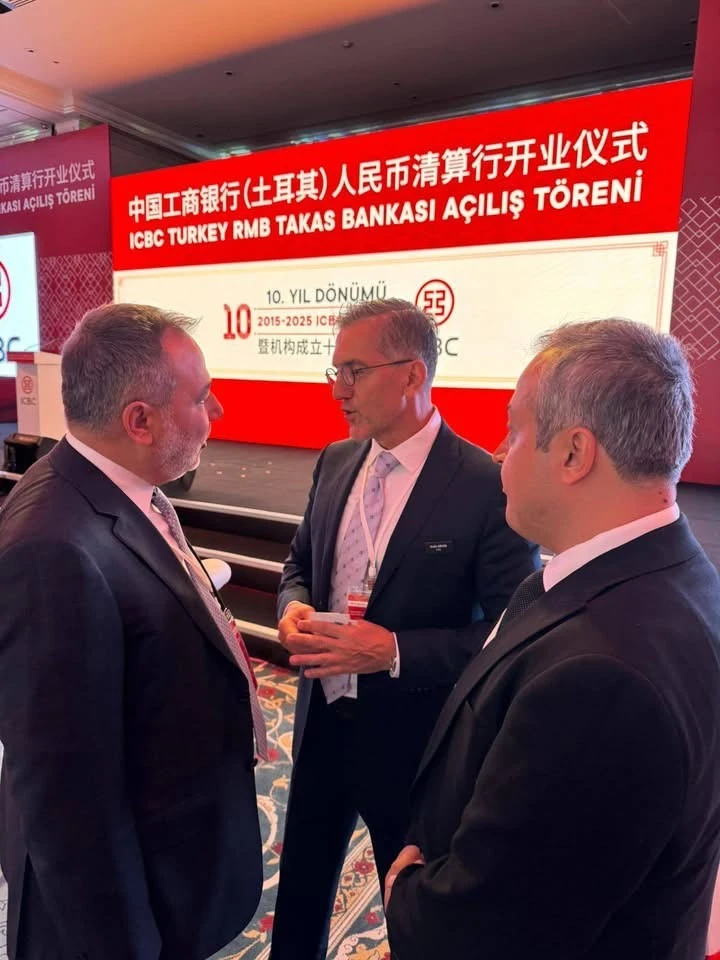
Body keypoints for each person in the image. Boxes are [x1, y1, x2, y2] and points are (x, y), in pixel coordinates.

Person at [384, 318, 720, 960]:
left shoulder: (600, 677)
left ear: (573, 453)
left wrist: (406, 892)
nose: (497, 452)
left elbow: (489, 930)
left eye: (513, 431)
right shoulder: (681, 574)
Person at [270, 298, 539, 959]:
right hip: (320, 722)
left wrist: (394, 651)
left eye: (354, 371)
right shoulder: (336, 461)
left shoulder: (483, 484)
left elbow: (512, 632)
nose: (338, 390)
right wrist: (292, 607)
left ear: (413, 374)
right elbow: (299, 564)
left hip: (415, 746)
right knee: (299, 894)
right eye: (334, 372)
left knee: (415, 913)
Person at [0, 304, 266, 960]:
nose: (218, 411)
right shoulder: (54, 550)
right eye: (201, 398)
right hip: (133, 906)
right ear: (139, 421)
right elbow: (69, 802)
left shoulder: (109, 490)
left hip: (172, 869)